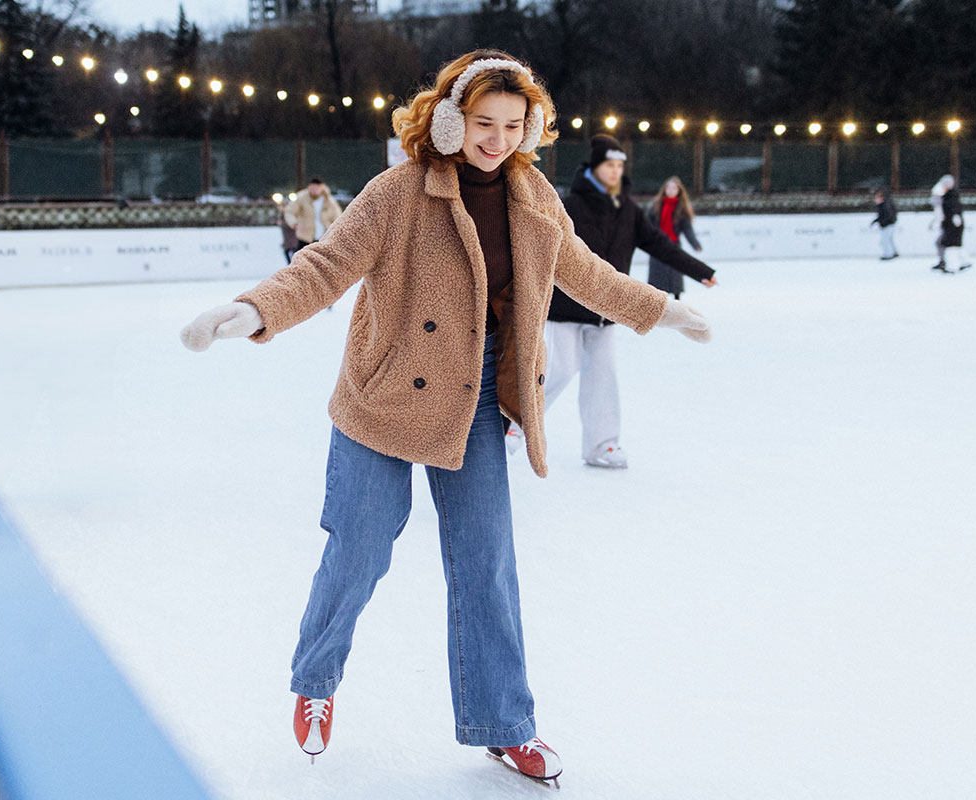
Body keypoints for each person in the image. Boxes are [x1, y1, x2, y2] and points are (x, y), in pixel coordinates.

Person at [177, 50, 712, 785]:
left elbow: (584, 272)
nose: (496, 138)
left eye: (511, 124)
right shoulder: (400, 191)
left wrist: (664, 309)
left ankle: (504, 724)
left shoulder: (533, 196)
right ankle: (316, 682)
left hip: (479, 395)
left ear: (531, 129)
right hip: (385, 393)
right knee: (360, 546)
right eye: (483, 122)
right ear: (453, 119)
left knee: (486, 562)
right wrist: (254, 309)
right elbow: (327, 265)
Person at [513, 134, 716, 469]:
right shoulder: (571, 204)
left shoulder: (629, 209)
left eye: (620, 165)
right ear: (595, 167)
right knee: (559, 370)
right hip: (565, 308)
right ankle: (514, 425)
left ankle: (602, 444)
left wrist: (699, 270)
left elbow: (659, 244)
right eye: (610, 164)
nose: (615, 171)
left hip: (606, 312)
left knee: (603, 375)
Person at [645, 176, 704, 298]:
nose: (671, 190)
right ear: (664, 189)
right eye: (668, 187)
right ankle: (657, 303)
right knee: (657, 278)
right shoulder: (655, 206)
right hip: (658, 245)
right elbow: (646, 224)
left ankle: (677, 300)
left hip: (673, 245)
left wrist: (695, 244)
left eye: (674, 188)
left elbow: (687, 229)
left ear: (679, 191)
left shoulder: (681, 210)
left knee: (675, 275)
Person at [284, 177, 343, 249]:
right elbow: (290, 211)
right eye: (313, 188)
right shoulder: (301, 198)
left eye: (317, 188)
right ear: (309, 187)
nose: (315, 190)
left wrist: (335, 229)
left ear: (322, 187)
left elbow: (337, 215)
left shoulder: (329, 201)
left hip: (324, 236)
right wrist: (294, 223)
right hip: (305, 236)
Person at [930, 174, 970, 272]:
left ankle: (951, 266)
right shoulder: (947, 196)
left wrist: (955, 216)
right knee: (953, 245)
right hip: (949, 225)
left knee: (951, 246)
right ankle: (963, 262)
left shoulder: (951, 196)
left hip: (952, 226)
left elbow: (954, 208)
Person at [871, 189, 899, 260]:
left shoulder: (885, 205)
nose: (875, 199)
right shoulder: (882, 205)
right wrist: (876, 221)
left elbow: (887, 215)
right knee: (888, 240)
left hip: (888, 225)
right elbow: (882, 216)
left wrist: (883, 222)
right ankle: (893, 252)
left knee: (885, 241)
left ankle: (888, 254)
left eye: (877, 197)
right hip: (888, 224)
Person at [276, 195, 301, 264]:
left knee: (293, 254)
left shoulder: (290, 215)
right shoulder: (282, 215)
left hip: (293, 241)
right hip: (287, 241)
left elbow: (291, 225)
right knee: (288, 253)